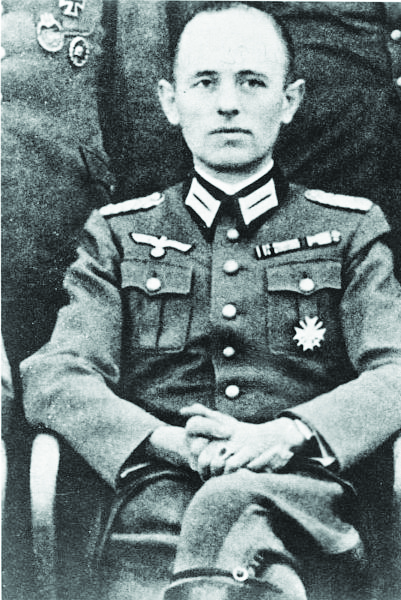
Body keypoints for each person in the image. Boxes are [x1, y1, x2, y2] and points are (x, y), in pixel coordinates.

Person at [21, 2, 401, 599]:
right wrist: (168, 442)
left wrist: (287, 433)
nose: (228, 103)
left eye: (252, 82)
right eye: (205, 82)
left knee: (228, 505)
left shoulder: (349, 230)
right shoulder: (120, 234)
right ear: (170, 102)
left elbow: (396, 369)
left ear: (290, 101)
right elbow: (56, 374)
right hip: (153, 512)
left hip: (301, 509)